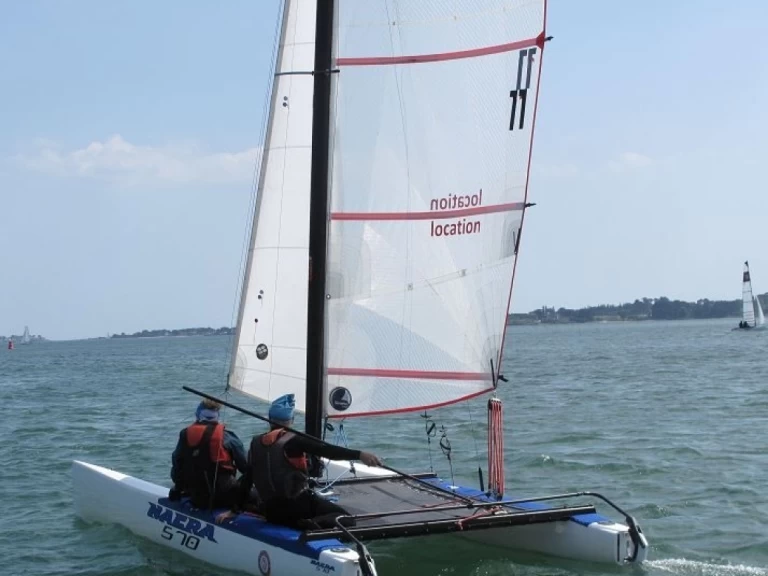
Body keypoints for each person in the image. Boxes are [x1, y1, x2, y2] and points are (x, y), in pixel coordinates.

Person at [231, 393, 383, 530]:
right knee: (346, 518)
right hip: (297, 509)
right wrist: (360, 454)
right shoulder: (295, 440)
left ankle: (301, 521)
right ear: (291, 420)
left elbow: (247, 479)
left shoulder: (255, 443)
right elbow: (328, 451)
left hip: (271, 511)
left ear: (270, 419)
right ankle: (311, 523)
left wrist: (234, 510)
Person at [170, 399, 248, 509]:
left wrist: (177, 487)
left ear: (197, 415)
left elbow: (176, 464)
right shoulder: (228, 437)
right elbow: (246, 467)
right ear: (217, 417)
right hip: (223, 496)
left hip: (195, 496)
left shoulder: (184, 435)